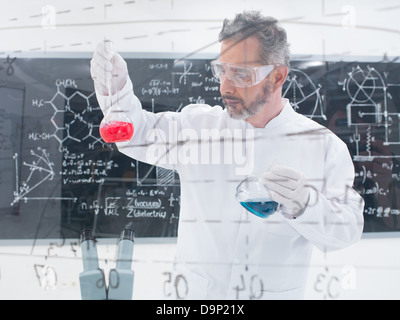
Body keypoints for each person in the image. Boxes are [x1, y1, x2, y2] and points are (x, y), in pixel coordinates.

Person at [90, 11, 364, 300]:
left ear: (278, 75)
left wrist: (306, 205)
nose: (225, 86)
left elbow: (347, 230)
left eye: (241, 73)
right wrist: (116, 88)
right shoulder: (198, 129)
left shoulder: (322, 147)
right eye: (222, 70)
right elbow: (136, 133)